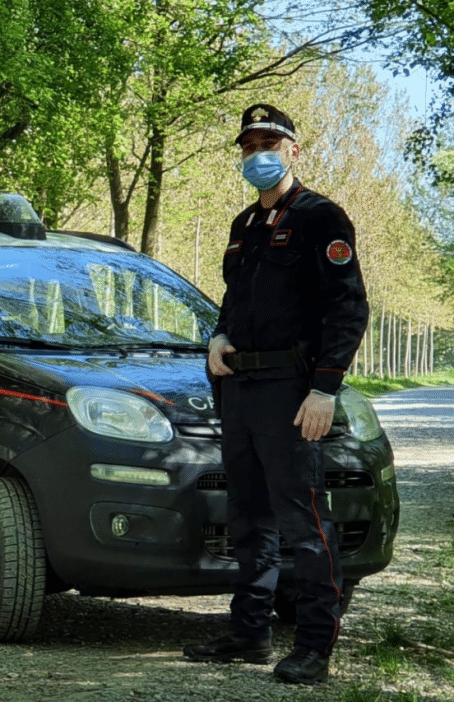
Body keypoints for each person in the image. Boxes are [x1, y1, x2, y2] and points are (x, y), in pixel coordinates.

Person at [183, 105, 369, 684]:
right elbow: (235, 300)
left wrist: (325, 389)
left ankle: (315, 645)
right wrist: (218, 335)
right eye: (249, 145)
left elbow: (348, 307)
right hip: (240, 388)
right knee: (249, 518)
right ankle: (249, 633)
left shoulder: (321, 218)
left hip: (292, 390)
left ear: (294, 151)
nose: (258, 153)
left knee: (302, 518)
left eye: (270, 142)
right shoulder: (243, 225)